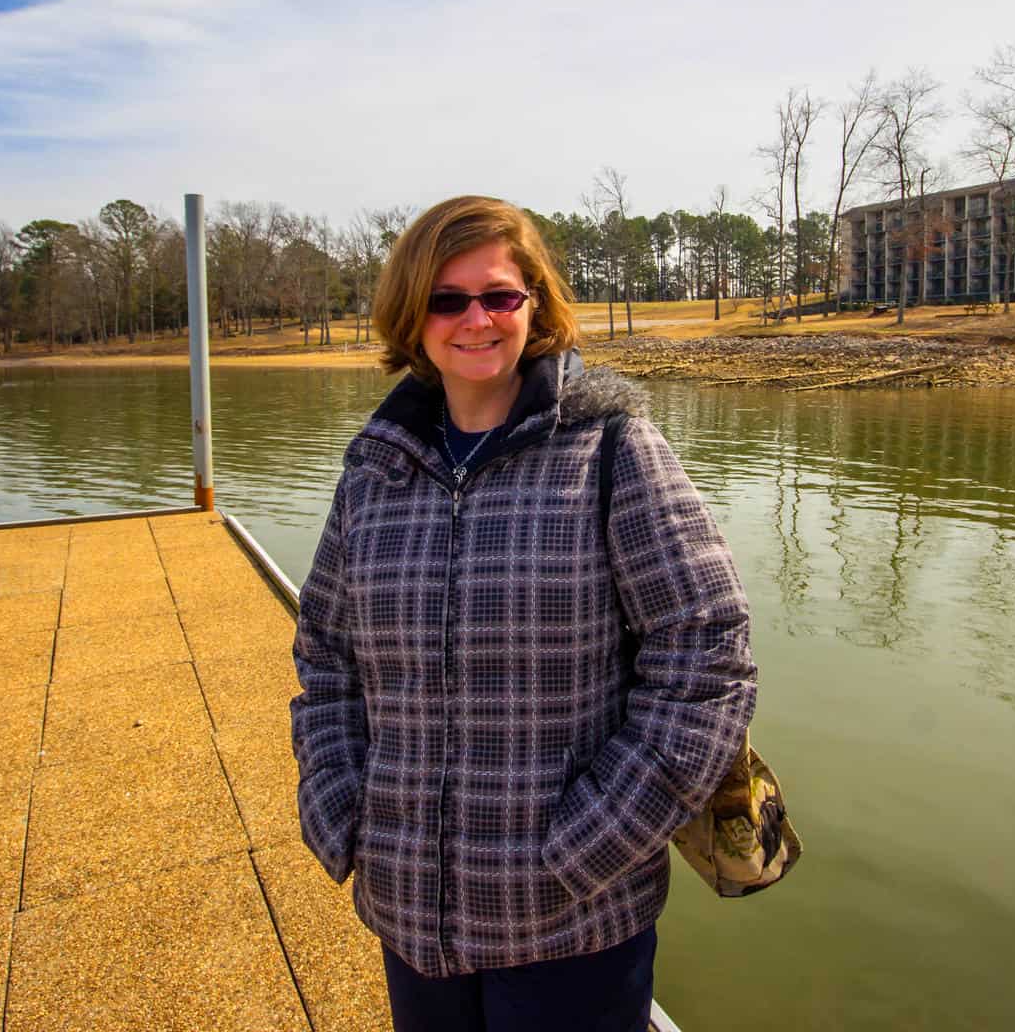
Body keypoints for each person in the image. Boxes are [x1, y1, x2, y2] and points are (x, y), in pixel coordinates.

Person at [290, 195, 757, 1032]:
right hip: (409, 915)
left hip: (572, 923)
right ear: (413, 315)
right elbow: (326, 655)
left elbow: (707, 652)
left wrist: (588, 846)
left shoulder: (612, 447)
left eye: (499, 295)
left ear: (534, 303)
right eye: (447, 299)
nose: (476, 319)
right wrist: (340, 810)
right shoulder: (375, 468)